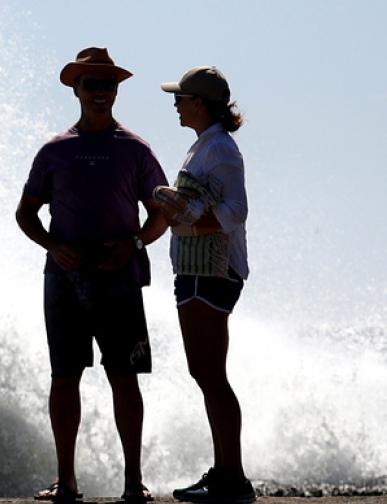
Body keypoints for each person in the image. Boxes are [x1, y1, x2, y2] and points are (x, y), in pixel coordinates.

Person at [16, 47, 169, 503]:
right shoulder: (54, 150)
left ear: (117, 90)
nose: (101, 92)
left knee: (125, 378)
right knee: (64, 378)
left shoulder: (135, 149)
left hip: (119, 279)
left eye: (109, 84)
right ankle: (66, 481)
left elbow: (161, 213)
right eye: (92, 84)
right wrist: (52, 246)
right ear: (75, 88)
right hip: (62, 280)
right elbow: (25, 214)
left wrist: (134, 243)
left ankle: (133, 483)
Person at [157, 67, 255, 504]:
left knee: (210, 375)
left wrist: (192, 226)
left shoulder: (219, 147)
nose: (176, 103)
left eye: (181, 97)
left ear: (200, 102)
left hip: (210, 272)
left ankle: (231, 480)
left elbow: (237, 209)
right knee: (208, 374)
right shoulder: (206, 144)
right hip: (199, 272)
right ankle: (225, 474)